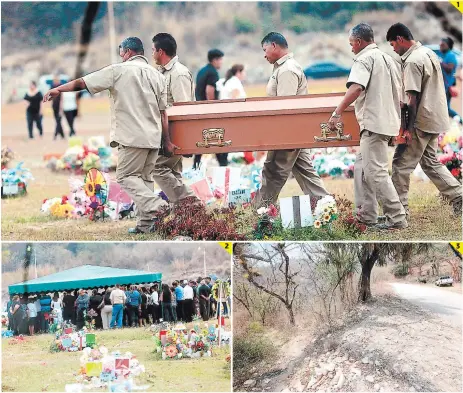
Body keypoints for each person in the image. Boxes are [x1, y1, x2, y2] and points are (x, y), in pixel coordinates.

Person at [43, 37, 174, 234]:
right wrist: (167, 141)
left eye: (121, 51)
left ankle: (159, 207)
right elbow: (164, 112)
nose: (120, 55)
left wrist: (59, 89)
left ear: (128, 52)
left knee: (125, 176)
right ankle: (147, 226)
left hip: (132, 136)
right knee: (144, 179)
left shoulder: (118, 71)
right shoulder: (157, 75)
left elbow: (84, 82)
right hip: (154, 137)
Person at [326, 23, 407, 230]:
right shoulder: (388, 59)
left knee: (376, 172)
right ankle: (367, 215)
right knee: (363, 169)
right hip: (387, 121)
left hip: (373, 123)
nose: (351, 48)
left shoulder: (364, 59)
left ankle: (397, 218)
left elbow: (356, 88)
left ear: (360, 42)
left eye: (352, 44)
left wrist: (337, 112)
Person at [386, 23, 462, 217]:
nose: (393, 49)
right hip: (436, 117)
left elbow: (412, 99)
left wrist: (408, 129)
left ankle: (399, 212)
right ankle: (459, 197)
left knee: (400, 165)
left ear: (400, 39)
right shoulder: (428, 53)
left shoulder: (412, 61)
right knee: (430, 162)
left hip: (421, 121)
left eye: (393, 44)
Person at [252, 32, 329, 209]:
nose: (264, 55)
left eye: (265, 50)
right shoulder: (283, 68)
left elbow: (285, 107)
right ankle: (326, 205)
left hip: (288, 131)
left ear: (274, 46)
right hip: (294, 131)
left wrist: (279, 136)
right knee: (305, 172)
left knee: (273, 171)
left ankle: (260, 210)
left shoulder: (287, 70)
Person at [151, 33, 199, 206]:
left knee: (156, 167)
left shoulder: (178, 74)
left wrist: (172, 140)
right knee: (173, 172)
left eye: (153, 50)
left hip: (174, 133)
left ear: (161, 51)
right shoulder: (163, 72)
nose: (152, 54)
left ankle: (191, 203)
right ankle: (183, 213)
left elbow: (184, 109)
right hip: (167, 131)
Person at [193, 48, 228, 169]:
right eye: (221, 60)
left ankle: (195, 167)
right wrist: (212, 109)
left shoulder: (202, 71)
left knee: (203, 140)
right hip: (208, 110)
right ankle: (223, 166)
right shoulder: (213, 72)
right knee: (219, 138)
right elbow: (209, 90)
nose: (221, 63)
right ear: (215, 60)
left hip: (199, 109)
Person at [439, 37, 462, 124]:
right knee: (444, 108)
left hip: (447, 87)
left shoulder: (451, 56)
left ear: (448, 46)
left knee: (446, 109)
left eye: (442, 45)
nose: (440, 46)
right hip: (444, 86)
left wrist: (440, 63)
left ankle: (460, 121)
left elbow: (450, 68)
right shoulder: (445, 56)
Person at [51, 74, 65, 140]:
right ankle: (62, 135)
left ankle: (55, 135)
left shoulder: (61, 86)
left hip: (59, 106)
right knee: (57, 121)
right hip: (54, 106)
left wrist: (61, 107)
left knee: (58, 120)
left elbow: (62, 97)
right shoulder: (52, 86)